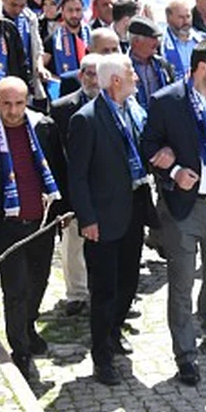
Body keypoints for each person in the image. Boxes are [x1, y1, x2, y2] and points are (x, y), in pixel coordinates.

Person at [141, 40, 206, 386]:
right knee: (181, 282)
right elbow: (148, 145)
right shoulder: (167, 101)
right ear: (202, 68)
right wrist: (174, 170)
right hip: (183, 206)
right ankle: (185, 355)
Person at [66, 53, 148, 387]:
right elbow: (77, 177)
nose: (136, 78)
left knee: (128, 281)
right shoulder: (86, 119)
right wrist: (87, 218)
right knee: (104, 290)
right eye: (130, 73)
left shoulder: (134, 111)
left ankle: (115, 332)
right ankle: (101, 356)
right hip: (102, 217)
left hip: (133, 210)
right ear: (115, 80)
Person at [0, 77, 60, 384]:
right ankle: (20, 350)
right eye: (6, 104)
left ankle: (29, 326)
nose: (13, 111)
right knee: (15, 289)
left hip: (41, 221)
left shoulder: (43, 127)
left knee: (38, 280)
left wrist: (61, 212)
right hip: (8, 224)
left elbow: (58, 168)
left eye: (19, 103)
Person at [46, 54, 103, 317]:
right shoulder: (61, 108)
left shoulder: (115, 103)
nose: (94, 80)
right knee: (72, 243)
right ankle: (77, 294)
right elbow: (55, 154)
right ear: (80, 76)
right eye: (89, 74)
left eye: (99, 74)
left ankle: (102, 291)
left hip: (104, 187)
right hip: (73, 187)